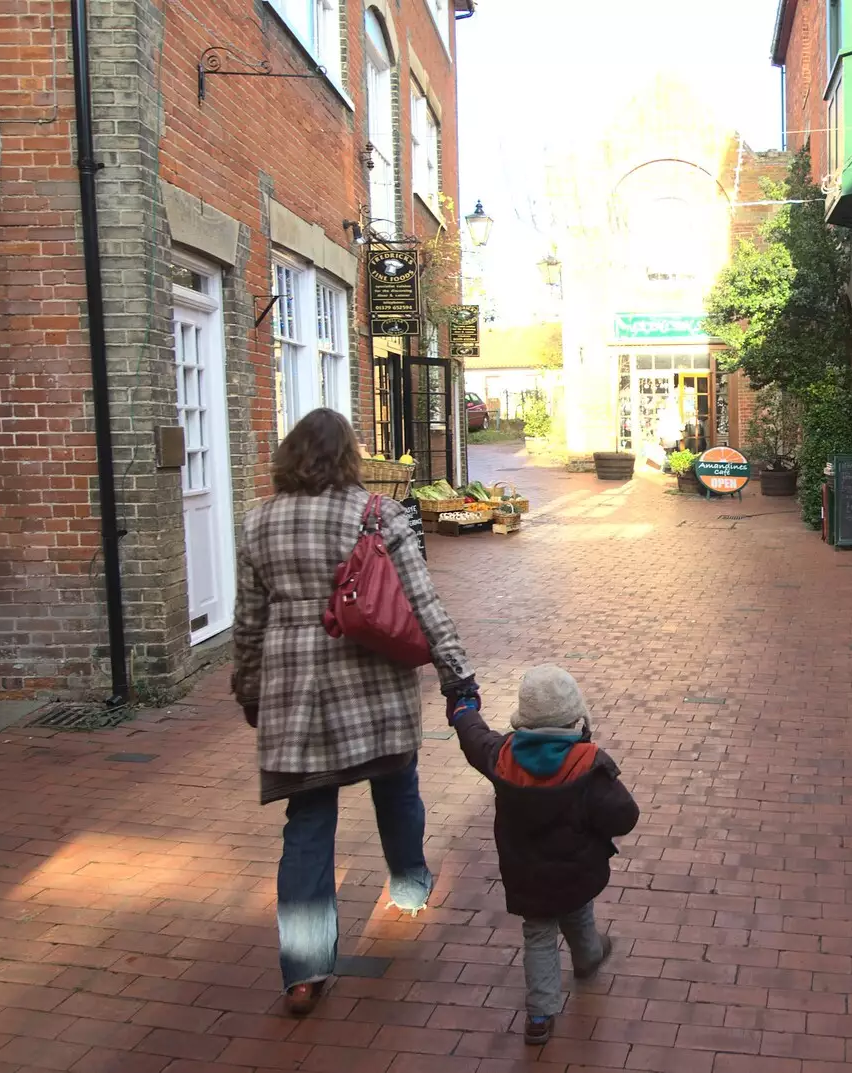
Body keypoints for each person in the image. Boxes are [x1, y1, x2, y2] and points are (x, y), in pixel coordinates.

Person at [231, 408, 478, 1016]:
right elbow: (421, 600)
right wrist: (456, 674)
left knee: (308, 822)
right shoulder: (375, 513)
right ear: (348, 457)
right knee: (396, 787)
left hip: (294, 690)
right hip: (372, 679)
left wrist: (249, 687)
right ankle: (410, 883)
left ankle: (304, 971)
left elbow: (248, 620)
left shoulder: (258, 520)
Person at [447, 665, 639, 1045]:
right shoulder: (588, 764)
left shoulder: (501, 755)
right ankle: (588, 958)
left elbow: (474, 737)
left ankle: (539, 1015)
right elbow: (624, 816)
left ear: (524, 719)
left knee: (538, 936)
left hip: (526, 875)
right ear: (576, 718)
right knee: (578, 913)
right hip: (575, 873)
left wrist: (463, 708)